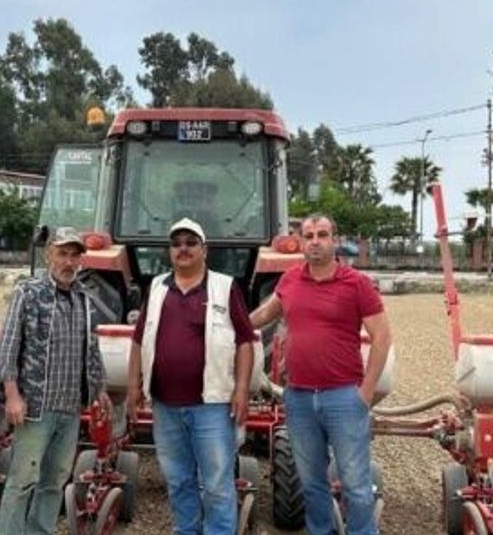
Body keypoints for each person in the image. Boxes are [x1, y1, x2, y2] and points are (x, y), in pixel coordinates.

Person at [249, 213, 392, 535]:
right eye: (309, 235)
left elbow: (382, 337)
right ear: (301, 241)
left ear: (335, 240)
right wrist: (231, 323)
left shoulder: (357, 284)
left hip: (343, 397)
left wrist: (365, 393)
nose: (315, 241)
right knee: (312, 483)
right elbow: (266, 314)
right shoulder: (290, 280)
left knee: (355, 483)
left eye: (322, 235)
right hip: (298, 397)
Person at [127, 217, 257, 535]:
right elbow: (139, 340)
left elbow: (245, 341)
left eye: (190, 243)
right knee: (178, 480)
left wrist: (241, 389)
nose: (182, 249)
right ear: (169, 251)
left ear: (204, 249)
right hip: (165, 406)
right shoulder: (156, 287)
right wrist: (133, 386)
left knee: (217, 484)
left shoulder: (225, 287)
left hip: (212, 406)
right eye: (176, 244)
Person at [0, 227, 111, 535]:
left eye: (74, 255)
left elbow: (91, 348)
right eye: (62, 253)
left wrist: (99, 388)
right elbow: (7, 346)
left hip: (70, 408)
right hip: (36, 408)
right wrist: (12, 395)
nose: (69, 262)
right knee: (22, 481)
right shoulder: (28, 293)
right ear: (49, 255)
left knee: (54, 481)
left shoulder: (84, 298)